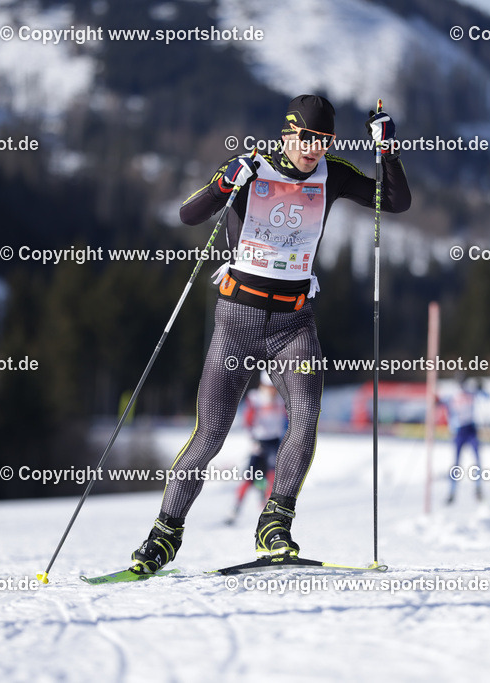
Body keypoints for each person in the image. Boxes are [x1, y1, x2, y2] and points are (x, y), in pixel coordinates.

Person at [130, 94, 411, 573]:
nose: (314, 148)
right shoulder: (253, 167)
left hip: (292, 323)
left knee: (305, 414)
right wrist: (224, 183)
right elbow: (189, 215)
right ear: (287, 134)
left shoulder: (334, 174)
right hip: (236, 321)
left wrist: (387, 150)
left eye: (324, 140)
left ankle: (275, 523)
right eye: (306, 138)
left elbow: (396, 202)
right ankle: (164, 536)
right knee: (210, 434)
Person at [225, 371, 287, 525]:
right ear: (262, 385)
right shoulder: (255, 398)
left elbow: (286, 420)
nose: (271, 391)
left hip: (274, 441)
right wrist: (253, 440)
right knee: (250, 476)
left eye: (274, 388)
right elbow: (247, 421)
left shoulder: (281, 399)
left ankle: (269, 509)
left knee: (272, 476)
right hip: (259, 442)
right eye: (268, 387)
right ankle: (235, 509)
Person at [439, 376, 490, 504]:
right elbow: (438, 402)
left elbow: (487, 396)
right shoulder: (452, 395)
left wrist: (481, 387)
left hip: (470, 429)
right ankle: (452, 491)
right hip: (459, 430)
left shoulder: (470, 393)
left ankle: (478, 488)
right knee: (456, 463)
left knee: (477, 460)